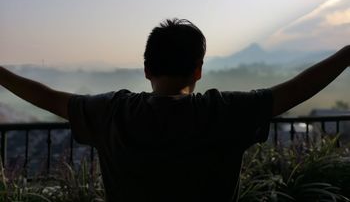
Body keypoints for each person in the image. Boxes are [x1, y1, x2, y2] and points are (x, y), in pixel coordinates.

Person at [0, 18, 349, 202]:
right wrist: (346, 54)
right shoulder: (225, 112)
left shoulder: (112, 113)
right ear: (198, 70)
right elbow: (295, 90)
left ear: (147, 69)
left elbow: (49, 97)